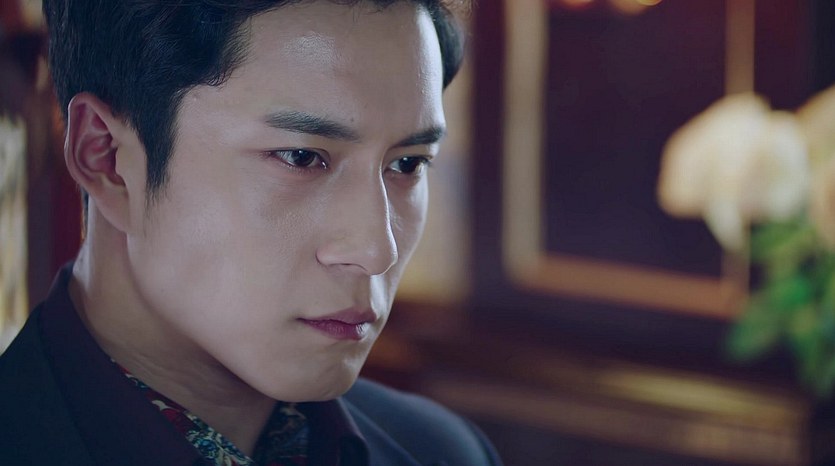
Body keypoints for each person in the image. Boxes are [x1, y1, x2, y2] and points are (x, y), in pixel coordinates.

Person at [0, 1, 503, 465]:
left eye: (409, 164)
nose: (376, 250)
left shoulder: (444, 451)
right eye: (301, 157)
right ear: (108, 160)